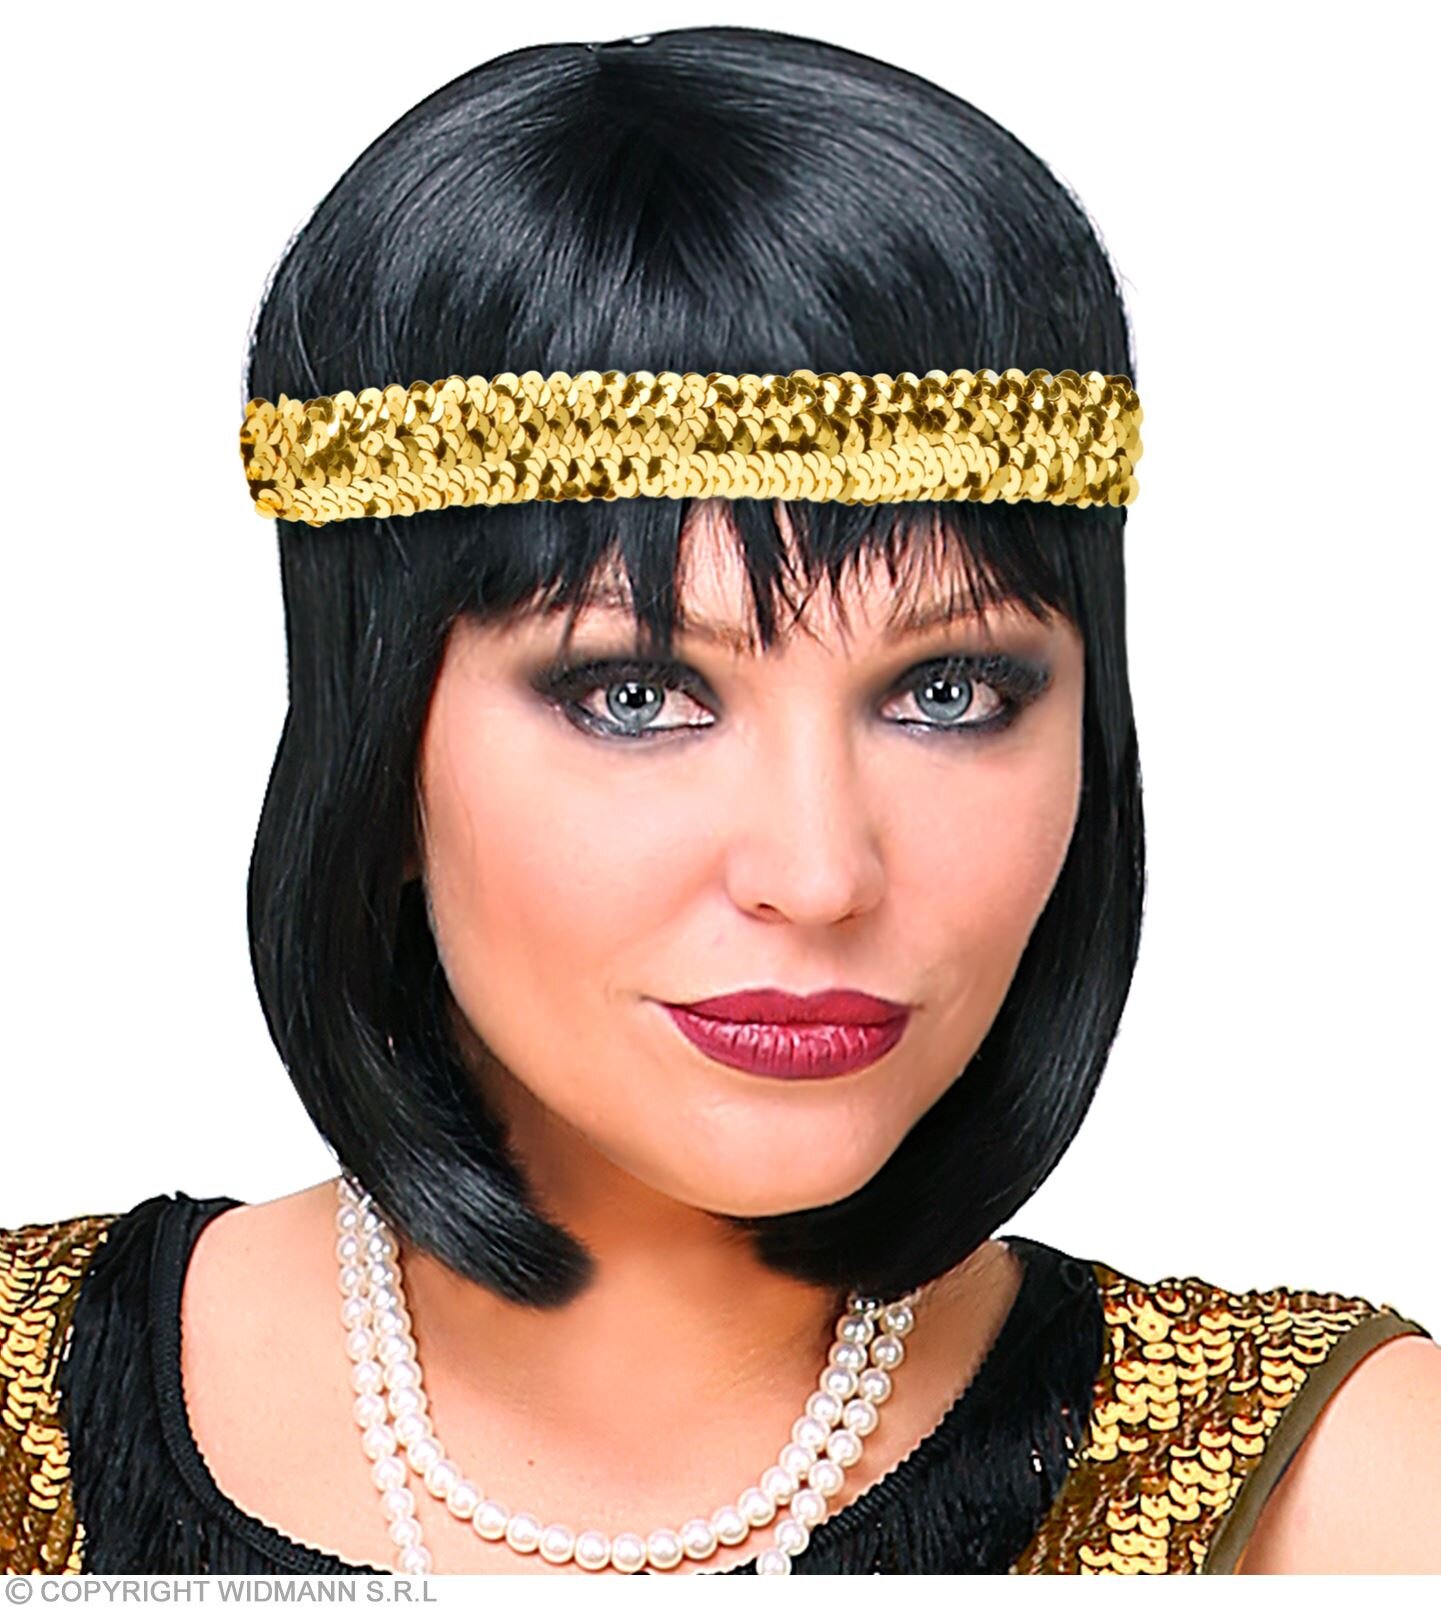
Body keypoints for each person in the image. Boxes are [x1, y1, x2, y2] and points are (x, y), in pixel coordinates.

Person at [2, 25, 1436, 1578]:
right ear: (376, 733)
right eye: (633, 696)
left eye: (947, 693)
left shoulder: (1340, 1499)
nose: (816, 873)